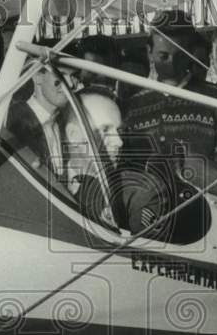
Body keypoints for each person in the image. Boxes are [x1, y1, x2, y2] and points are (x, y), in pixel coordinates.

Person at [122, 11, 217, 179]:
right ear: (149, 52)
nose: (172, 63)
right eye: (163, 56)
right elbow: (126, 169)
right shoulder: (133, 106)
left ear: (191, 52)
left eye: (180, 55)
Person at [62, 88, 171, 236]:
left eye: (119, 131)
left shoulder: (141, 193)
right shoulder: (47, 176)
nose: (119, 142)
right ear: (73, 135)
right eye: (105, 130)